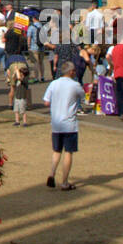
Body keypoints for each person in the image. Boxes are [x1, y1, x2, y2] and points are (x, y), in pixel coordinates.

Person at [44, 62, 85, 191]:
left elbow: (46, 101)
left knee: (56, 151)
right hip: (69, 123)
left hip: (56, 123)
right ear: (71, 72)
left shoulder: (54, 83)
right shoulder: (75, 85)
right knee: (68, 152)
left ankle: (52, 173)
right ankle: (64, 182)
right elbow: (83, 98)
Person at [8, 62, 30, 127]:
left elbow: (20, 78)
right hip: (17, 97)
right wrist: (15, 72)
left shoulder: (25, 80)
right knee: (16, 110)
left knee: (23, 111)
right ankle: (17, 121)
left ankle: (25, 122)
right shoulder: (17, 80)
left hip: (22, 98)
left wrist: (17, 70)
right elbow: (13, 77)